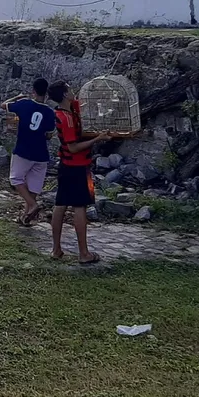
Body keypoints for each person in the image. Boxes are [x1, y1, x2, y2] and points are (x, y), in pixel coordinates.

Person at [49, 81, 111, 264]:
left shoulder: (70, 110)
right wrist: (97, 139)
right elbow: (73, 147)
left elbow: (86, 102)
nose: (73, 91)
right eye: (70, 89)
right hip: (76, 165)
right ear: (65, 94)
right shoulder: (65, 118)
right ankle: (84, 253)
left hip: (66, 166)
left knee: (60, 204)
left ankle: (56, 249)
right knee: (79, 206)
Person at [1, 78, 56, 225]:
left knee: (16, 179)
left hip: (23, 150)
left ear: (33, 91)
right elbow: (49, 135)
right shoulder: (50, 113)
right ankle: (25, 217)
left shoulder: (24, 104)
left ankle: (32, 205)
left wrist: (17, 97)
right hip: (41, 154)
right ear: (46, 94)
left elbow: (3, 105)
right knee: (33, 186)